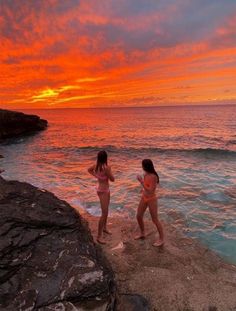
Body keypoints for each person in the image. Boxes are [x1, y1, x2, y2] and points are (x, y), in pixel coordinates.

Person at [88, 150, 115, 244]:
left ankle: (105, 228)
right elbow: (113, 179)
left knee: (106, 211)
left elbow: (89, 170)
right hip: (103, 191)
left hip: (104, 190)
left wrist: (97, 176)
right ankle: (99, 237)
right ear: (106, 158)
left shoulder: (96, 166)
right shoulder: (106, 168)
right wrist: (108, 172)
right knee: (104, 213)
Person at [135, 159, 164, 246]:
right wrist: (142, 189)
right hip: (144, 197)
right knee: (139, 216)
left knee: (155, 220)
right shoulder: (146, 174)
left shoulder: (154, 177)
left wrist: (141, 182)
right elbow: (146, 186)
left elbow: (151, 190)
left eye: (142, 165)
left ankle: (162, 239)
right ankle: (142, 233)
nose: (142, 167)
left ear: (146, 166)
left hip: (151, 199)